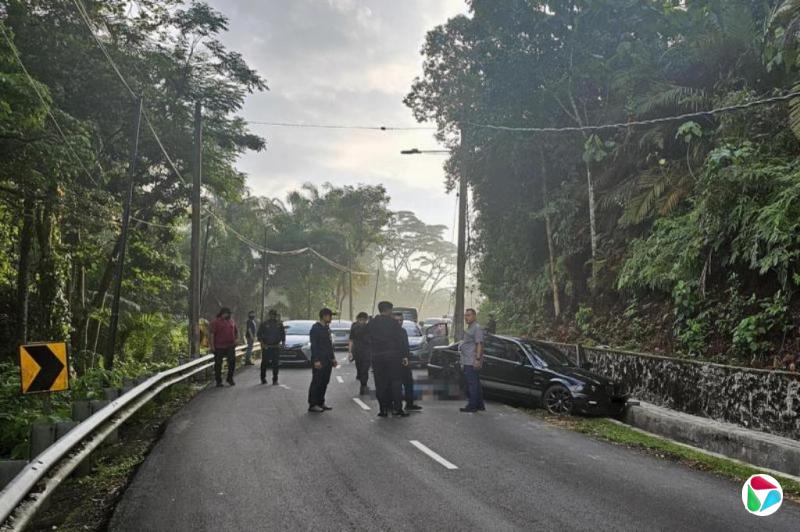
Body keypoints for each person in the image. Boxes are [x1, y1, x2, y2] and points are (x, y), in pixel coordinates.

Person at [367, 301, 408, 418]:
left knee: (380, 384)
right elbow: (400, 341)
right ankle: (397, 409)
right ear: (389, 310)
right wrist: (404, 356)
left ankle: (383, 409)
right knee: (396, 382)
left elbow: (364, 335)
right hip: (393, 356)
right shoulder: (394, 323)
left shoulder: (373, 323)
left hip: (377, 357)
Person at [308, 308, 338, 413]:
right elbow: (314, 346)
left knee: (325, 381)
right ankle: (313, 404)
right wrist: (316, 360)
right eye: (330, 316)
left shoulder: (326, 328)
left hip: (327, 360)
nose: (331, 318)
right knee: (317, 382)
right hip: (319, 360)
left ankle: (321, 402)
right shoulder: (315, 329)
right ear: (324, 316)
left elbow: (329, 345)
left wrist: (333, 358)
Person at [394, 312, 422, 412]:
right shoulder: (390, 332)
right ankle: (396, 406)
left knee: (408, 382)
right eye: (396, 320)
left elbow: (405, 346)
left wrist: (406, 357)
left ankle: (409, 403)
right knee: (396, 385)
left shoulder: (403, 331)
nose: (399, 322)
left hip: (405, 361)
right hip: (395, 362)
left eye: (401, 320)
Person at [460, 308, 485, 412]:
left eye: (469, 315)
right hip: (467, 359)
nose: (466, 317)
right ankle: (480, 405)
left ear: (474, 316)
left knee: (472, 384)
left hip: (471, 360)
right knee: (476, 383)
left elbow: (479, 344)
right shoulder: (470, 327)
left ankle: (472, 406)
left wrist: (478, 359)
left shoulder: (477, 328)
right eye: (465, 315)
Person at [209, 307, 238, 387]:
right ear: (222, 313)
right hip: (219, 346)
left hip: (230, 345)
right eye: (226, 313)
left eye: (228, 314)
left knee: (232, 362)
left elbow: (235, 332)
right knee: (218, 364)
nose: (227, 315)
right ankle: (218, 380)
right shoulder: (216, 322)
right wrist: (212, 346)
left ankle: (230, 378)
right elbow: (212, 334)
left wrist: (236, 340)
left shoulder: (231, 321)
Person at [258, 309, 285, 385]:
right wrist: (262, 344)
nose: (272, 316)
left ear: (275, 315)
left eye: (274, 315)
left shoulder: (279, 324)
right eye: (271, 314)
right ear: (269, 315)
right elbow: (259, 335)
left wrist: (283, 343)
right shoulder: (264, 324)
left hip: (275, 346)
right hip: (266, 346)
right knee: (264, 363)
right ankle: (263, 378)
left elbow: (283, 334)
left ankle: (275, 379)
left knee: (275, 364)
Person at [349, 311, 371, 395]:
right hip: (357, 352)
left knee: (365, 369)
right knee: (359, 368)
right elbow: (351, 340)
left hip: (367, 351)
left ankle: (363, 385)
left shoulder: (369, 327)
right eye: (360, 319)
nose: (362, 321)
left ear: (366, 320)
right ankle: (362, 381)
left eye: (364, 320)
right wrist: (350, 352)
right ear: (358, 319)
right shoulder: (354, 327)